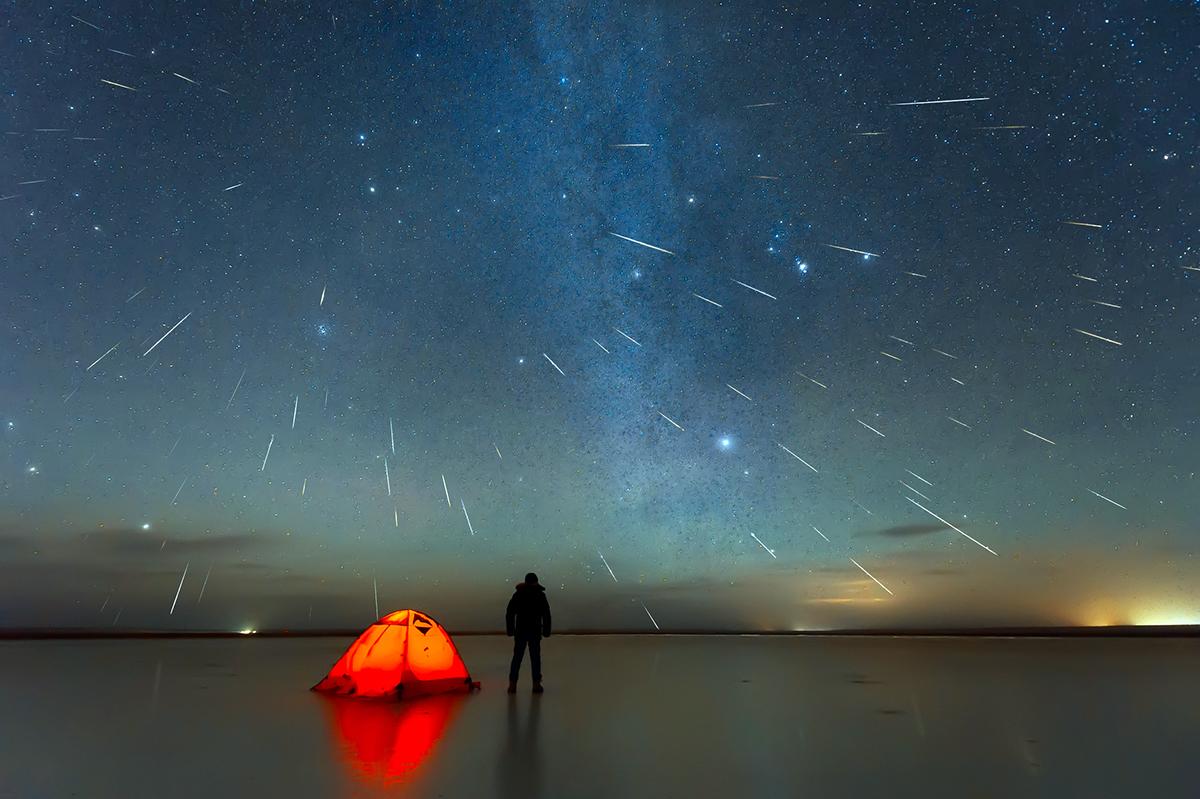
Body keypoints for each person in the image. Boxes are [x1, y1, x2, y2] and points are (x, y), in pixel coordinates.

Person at [506, 572, 551, 694]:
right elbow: (546, 614)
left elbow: (510, 612)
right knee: (535, 658)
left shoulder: (518, 595)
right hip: (534, 631)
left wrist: (510, 630)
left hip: (521, 631)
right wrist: (546, 631)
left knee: (517, 658)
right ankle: (536, 685)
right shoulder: (540, 595)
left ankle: (512, 685)